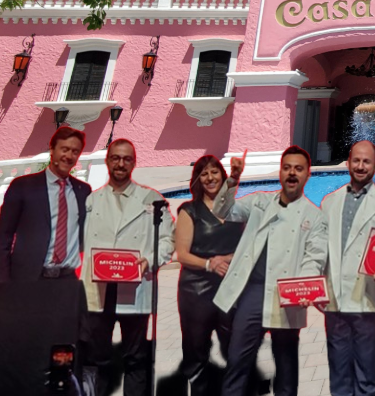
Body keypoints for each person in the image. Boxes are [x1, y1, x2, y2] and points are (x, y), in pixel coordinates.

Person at [212, 146, 327, 396]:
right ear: (280, 173)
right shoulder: (260, 201)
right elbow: (222, 211)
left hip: (287, 295)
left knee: (286, 368)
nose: (292, 173)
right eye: (287, 168)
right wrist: (232, 180)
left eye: (298, 169)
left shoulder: (314, 217)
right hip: (252, 292)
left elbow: (315, 257)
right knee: (237, 361)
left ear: (308, 174)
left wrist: (306, 285)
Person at [80, 138, 175, 396]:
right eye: (115, 158)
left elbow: (168, 239)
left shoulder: (153, 200)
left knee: (136, 357)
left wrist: (150, 259)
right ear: (108, 160)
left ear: (134, 162)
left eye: (127, 159)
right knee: (97, 356)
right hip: (98, 289)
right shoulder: (91, 201)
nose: (120, 163)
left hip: (136, 286)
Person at [320, 140, 375, 396]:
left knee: (365, 376)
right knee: (338, 375)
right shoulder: (329, 202)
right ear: (348, 163)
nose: (361, 166)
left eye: (367, 161)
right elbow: (319, 249)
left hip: (366, 301)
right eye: (356, 161)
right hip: (335, 302)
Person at [174, 155, 246, 396]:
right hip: (196, 290)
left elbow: (248, 244)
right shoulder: (189, 211)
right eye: (204, 173)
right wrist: (209, 263)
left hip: (230, 287)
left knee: (236, 349)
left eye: (214, 172)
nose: (210, 177)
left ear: (222, 176)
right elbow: (182, 254)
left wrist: (229, 258)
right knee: (196, 353)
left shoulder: (235, 210)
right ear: (197, 180)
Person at [0, 126, 91, 282]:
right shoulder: (23, 186)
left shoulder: (83, 191)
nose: (69, 156)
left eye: (75, 152)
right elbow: (3, 236)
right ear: (52, 149)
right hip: (27, 280)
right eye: (64, 149)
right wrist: (4, 281)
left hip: (66, 281)